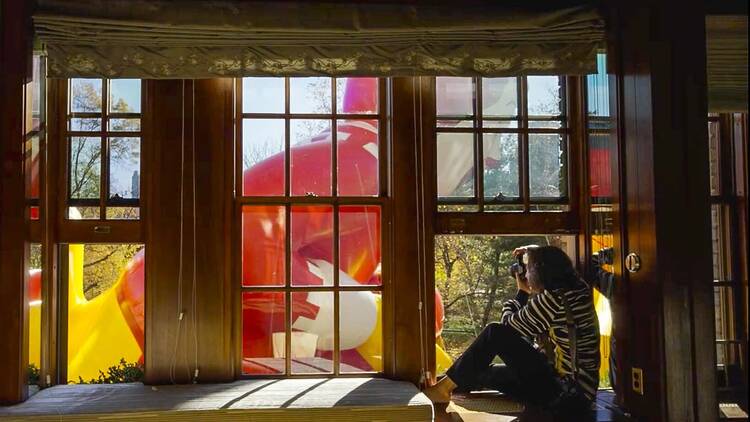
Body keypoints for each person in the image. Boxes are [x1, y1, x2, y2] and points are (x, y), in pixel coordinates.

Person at [423, 245, 600, 416]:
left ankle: (442, 389)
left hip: (566, 395)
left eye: (529, 270)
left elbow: (506, 328)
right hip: (576, 391)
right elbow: (552, 259)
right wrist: (532, 253)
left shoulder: (554, 300)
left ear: (541, 273)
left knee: (493, 332)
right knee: (480, 372)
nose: (526, 275)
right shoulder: (578, 288)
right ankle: (442, 387)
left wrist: (521, 293)